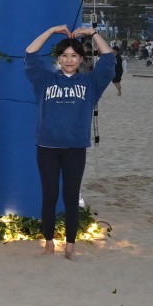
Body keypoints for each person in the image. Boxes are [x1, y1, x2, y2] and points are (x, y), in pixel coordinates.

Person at [25, 25, 115, 259]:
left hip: (75, 149)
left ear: (81, 58)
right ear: (58, 58)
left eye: (74, 55)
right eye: (64, 55)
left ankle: (70, 246)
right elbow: (30, 53)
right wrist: (51, 32)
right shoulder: (45, 80)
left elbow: (108, 59)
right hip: (47, 148)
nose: (69, 60)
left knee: (71, 197)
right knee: (50, 196)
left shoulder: (90, 83)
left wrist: (93, 34)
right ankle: (48, 244)